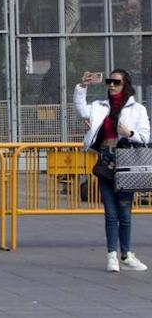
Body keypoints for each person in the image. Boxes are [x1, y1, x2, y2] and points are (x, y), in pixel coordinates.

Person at [76, 69, 151, 272]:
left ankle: (126, 254)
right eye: (109, 81)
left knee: (125, 212)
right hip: (105, 161)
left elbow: (145, 137)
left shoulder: (137, 109)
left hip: (126, 162)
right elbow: (82, 110)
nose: (111, 85)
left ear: (125, 84)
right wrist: (82, 86)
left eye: (116, 82)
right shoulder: (101, 106)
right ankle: (111, 256)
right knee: (110, 213)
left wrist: (130, 133)